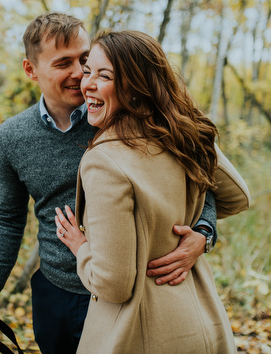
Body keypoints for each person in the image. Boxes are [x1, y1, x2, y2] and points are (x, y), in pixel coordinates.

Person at [0, 13, 249, 354]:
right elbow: (8, 218)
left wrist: (203, 234)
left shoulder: (125, 115)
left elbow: (197, 181)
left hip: (130, 296)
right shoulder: (13, 137)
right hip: (56, 292)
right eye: (63, 63)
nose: (80, 74)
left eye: (85, 60)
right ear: (31, 70)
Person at [55, 30, 244, 353]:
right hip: (205, 325)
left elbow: (114, 284)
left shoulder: (104, 161)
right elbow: (237, 196)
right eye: (89, 72)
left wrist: (80, 247)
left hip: (142, 336)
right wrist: (202, 230)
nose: (87, 83)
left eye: (105, 75)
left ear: (135, 86)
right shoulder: (186, 135)